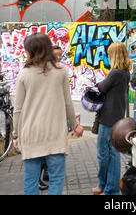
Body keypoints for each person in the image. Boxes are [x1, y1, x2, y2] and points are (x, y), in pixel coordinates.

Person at [13, 32, 84, 195]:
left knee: (30, 180)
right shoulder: (61, 71)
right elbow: (67, 102)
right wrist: (75, 125)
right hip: (55, 135)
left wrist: (16, 135)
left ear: (31, 51)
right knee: (57, 178)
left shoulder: (24, 74)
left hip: (31, 134)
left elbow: (18, 109)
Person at [92, 42, 130, 196]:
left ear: (114, 55)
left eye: (109, 54)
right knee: (112, 153)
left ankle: (108, 188)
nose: (108, 57)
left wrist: (99, 83)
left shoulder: (115, 73)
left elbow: (101, 88)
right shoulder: (125, 72)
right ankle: (106, 186)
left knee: (104, 153)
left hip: (108, 118)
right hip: (117, 116)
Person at [39, 44, 63, 191]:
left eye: (60, 55)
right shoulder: (44, 72)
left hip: (55, 118)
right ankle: (39, 178)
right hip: (43, 120)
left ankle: (46, 173)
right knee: (42, 152)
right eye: (56, 55)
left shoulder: (60, 71)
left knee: (50, 150)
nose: (59, 58)